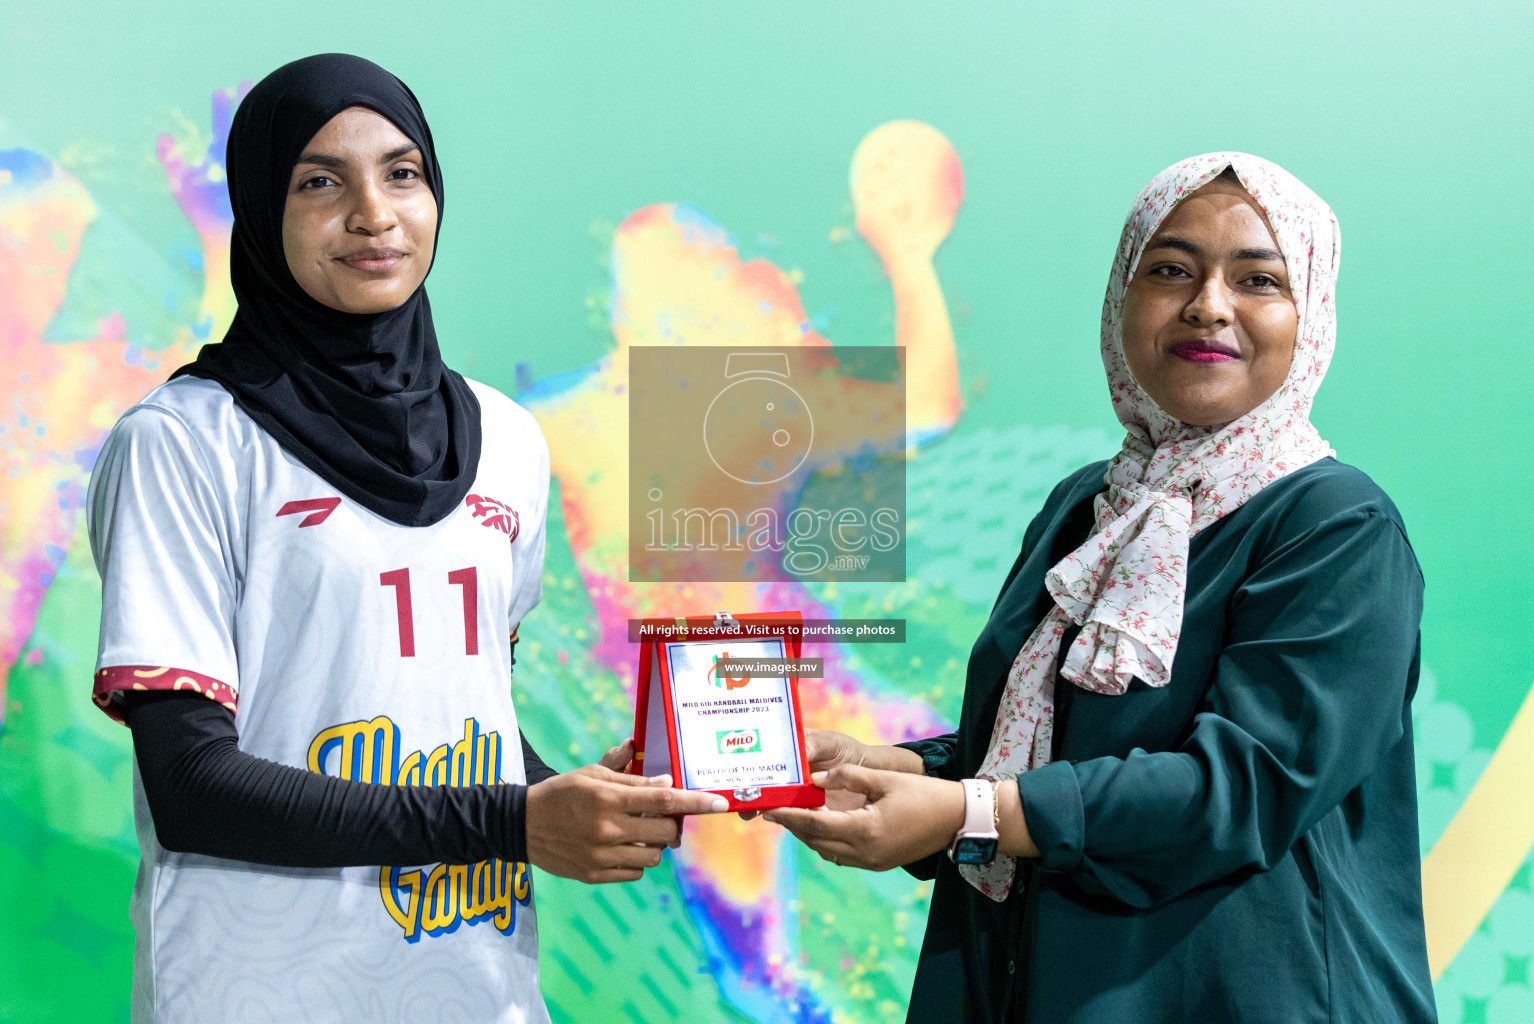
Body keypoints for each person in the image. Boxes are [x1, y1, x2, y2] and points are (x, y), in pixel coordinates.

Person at [86, 53, 725, 1024]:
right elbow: (191, 784)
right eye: (318, 182)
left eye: (402, 172)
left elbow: (459, 721)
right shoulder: (182, 443)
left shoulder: (507, 439)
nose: (373, 213)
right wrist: (513, 819)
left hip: (475, 986)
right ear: (260, 211)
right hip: (256, 992)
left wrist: (585, 795)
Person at [762, 153, 1436, 1023]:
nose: (1208, 305)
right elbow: (1046, 744)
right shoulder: (1090, 504)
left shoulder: (1335, 526)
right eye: (1170, 270)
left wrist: (968, 808)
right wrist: (904, 768)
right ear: (1123, 297)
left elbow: (1236, 791)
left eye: (1258, 278)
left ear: (1310, 314)